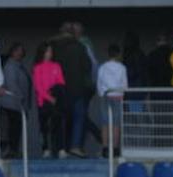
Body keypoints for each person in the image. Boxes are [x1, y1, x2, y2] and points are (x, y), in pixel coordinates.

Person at [50, 22, 95, 157]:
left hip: (58, 88)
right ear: (73, 33)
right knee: (78, 117)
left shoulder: (53, 47)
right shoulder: (79, 47)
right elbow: (88, 66)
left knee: (59, 119)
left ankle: (58, 148)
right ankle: (75, 146)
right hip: (77, 88)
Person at [33, 42, 66, 158]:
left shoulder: (56, 66)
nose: (50, 54)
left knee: (58, 125)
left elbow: (61, 82)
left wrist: (54, 93)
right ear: (42, 52)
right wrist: (49, 97)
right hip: (43, 102)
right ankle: (45, 149)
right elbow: (38, 87)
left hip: (56, 100)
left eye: (51, 51)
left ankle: (60, 149)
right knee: (44, 127)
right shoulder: (37, 68)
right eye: (47, 51)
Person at [0, 42, 32, 159]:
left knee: (16, 129)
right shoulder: (10, 66)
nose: (20, 53)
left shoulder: (19, 66)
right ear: (12, 52)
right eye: (18, 51)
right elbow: (12, 83)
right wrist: (20, 96)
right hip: (11, 104)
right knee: (11, 129)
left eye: (22, 51)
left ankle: (14, 150)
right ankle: (11, 151)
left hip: (19, 105)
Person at [96, 44, 127, 156]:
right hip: (117, 95)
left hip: (106, 95)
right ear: (118, 55)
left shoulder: (103, 67)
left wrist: (101, 94)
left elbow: (99, 82)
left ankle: (105, 148)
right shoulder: (122, 67)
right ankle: (115, 148)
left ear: (108, 54)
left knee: (105, 123)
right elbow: (124, 84)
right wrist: (122, 94)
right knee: (116, 124)